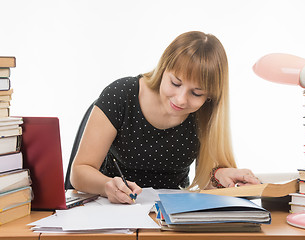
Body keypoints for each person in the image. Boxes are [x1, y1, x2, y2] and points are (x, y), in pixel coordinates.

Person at [70, 31, 261, 204]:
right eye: (175, 83)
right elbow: (79, 172)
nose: (180, 99)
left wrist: (220, 175)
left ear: (210, 96)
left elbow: (204, 185)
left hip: (172, 214)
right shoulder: (121, 95)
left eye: (196, 93)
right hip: (111, 208)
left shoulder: (205, 113)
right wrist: (107, 186)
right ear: (163, 69)